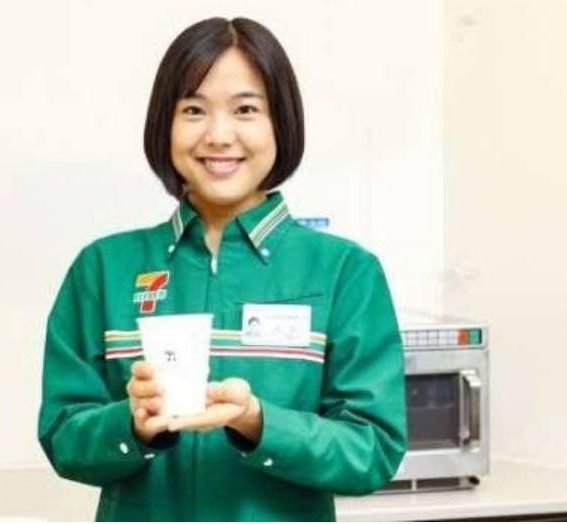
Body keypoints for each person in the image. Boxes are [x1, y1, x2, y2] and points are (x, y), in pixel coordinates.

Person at [37, 16, 407, 522]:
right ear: (164, 125)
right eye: (193, 110)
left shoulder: (346, 272)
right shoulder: (103, 268)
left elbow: (372, 450)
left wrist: (259, 423)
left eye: (246, 109)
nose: (218, 135)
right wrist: (132, 423)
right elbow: (63, 435)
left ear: (281, 124)